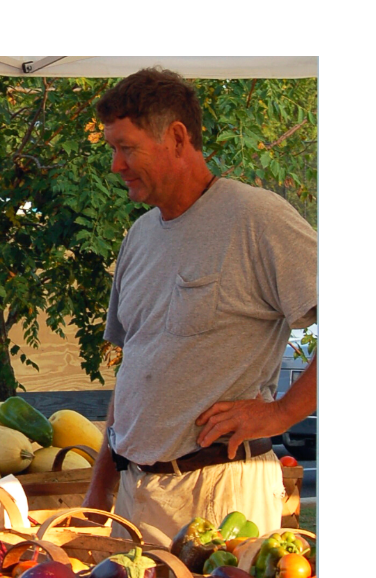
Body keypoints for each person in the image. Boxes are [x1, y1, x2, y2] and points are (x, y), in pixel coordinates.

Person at [81, 68, 317, 547]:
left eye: (126, 148)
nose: (115, 165)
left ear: (177, 137)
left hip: (221, 494)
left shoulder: (257, 217)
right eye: (112, 150)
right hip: (134, 497)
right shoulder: (140, 237)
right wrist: (98, 495)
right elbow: (135, 372)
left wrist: (282, 413)